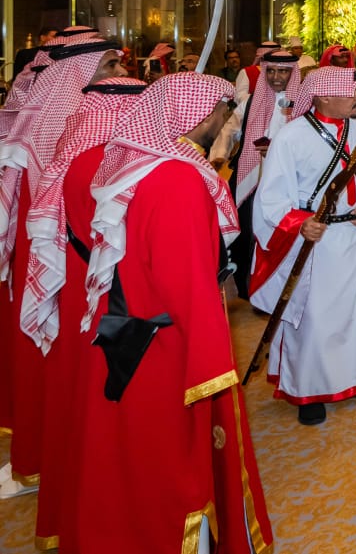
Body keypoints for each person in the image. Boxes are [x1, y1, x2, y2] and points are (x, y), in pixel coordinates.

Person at [72, 73, 274, 553]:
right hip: (169, 351)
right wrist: (212, 365)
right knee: (174, 467)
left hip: (122, 337)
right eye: (222, 113)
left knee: (126, 461)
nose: (225, 121)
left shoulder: (130, 164)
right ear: (198, 115)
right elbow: (190, 287)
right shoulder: (180, 179)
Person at [16, 75, 145, 547]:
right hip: (108, 293)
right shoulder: (109, 163)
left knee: (75, 392)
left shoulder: (75, 153)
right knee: (106, 399)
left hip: (77, 286)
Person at [0, 38, 122, 504]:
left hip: (80, 269)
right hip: (52, 270)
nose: (116, 69)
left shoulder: (91, 121)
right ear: (80, 70)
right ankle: (42, 457)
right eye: (109, 63)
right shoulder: (49, 130)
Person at [252, 66, 356, 424]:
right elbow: (272, 198)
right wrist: (299, 223)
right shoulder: (291, 137)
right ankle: (309, 391)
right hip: (320, 242)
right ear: (323, 96)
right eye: (351, 92)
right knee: (317, 318)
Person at [211, 50, 301, 300]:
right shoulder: (250, 101)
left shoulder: (303, 102)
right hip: (252, 177)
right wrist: (218, 155)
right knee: (248, 231)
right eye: (270, 71)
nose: (275, 77)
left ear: (293, 73)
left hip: (289, 181)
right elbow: (229, 130)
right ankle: (249, 287)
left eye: (282, 71)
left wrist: (278, 149)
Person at [234, 39, 282, 104]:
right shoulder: (247, 72)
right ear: (263, 56)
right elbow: (239, 97)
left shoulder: (283, 73)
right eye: (274, 55)